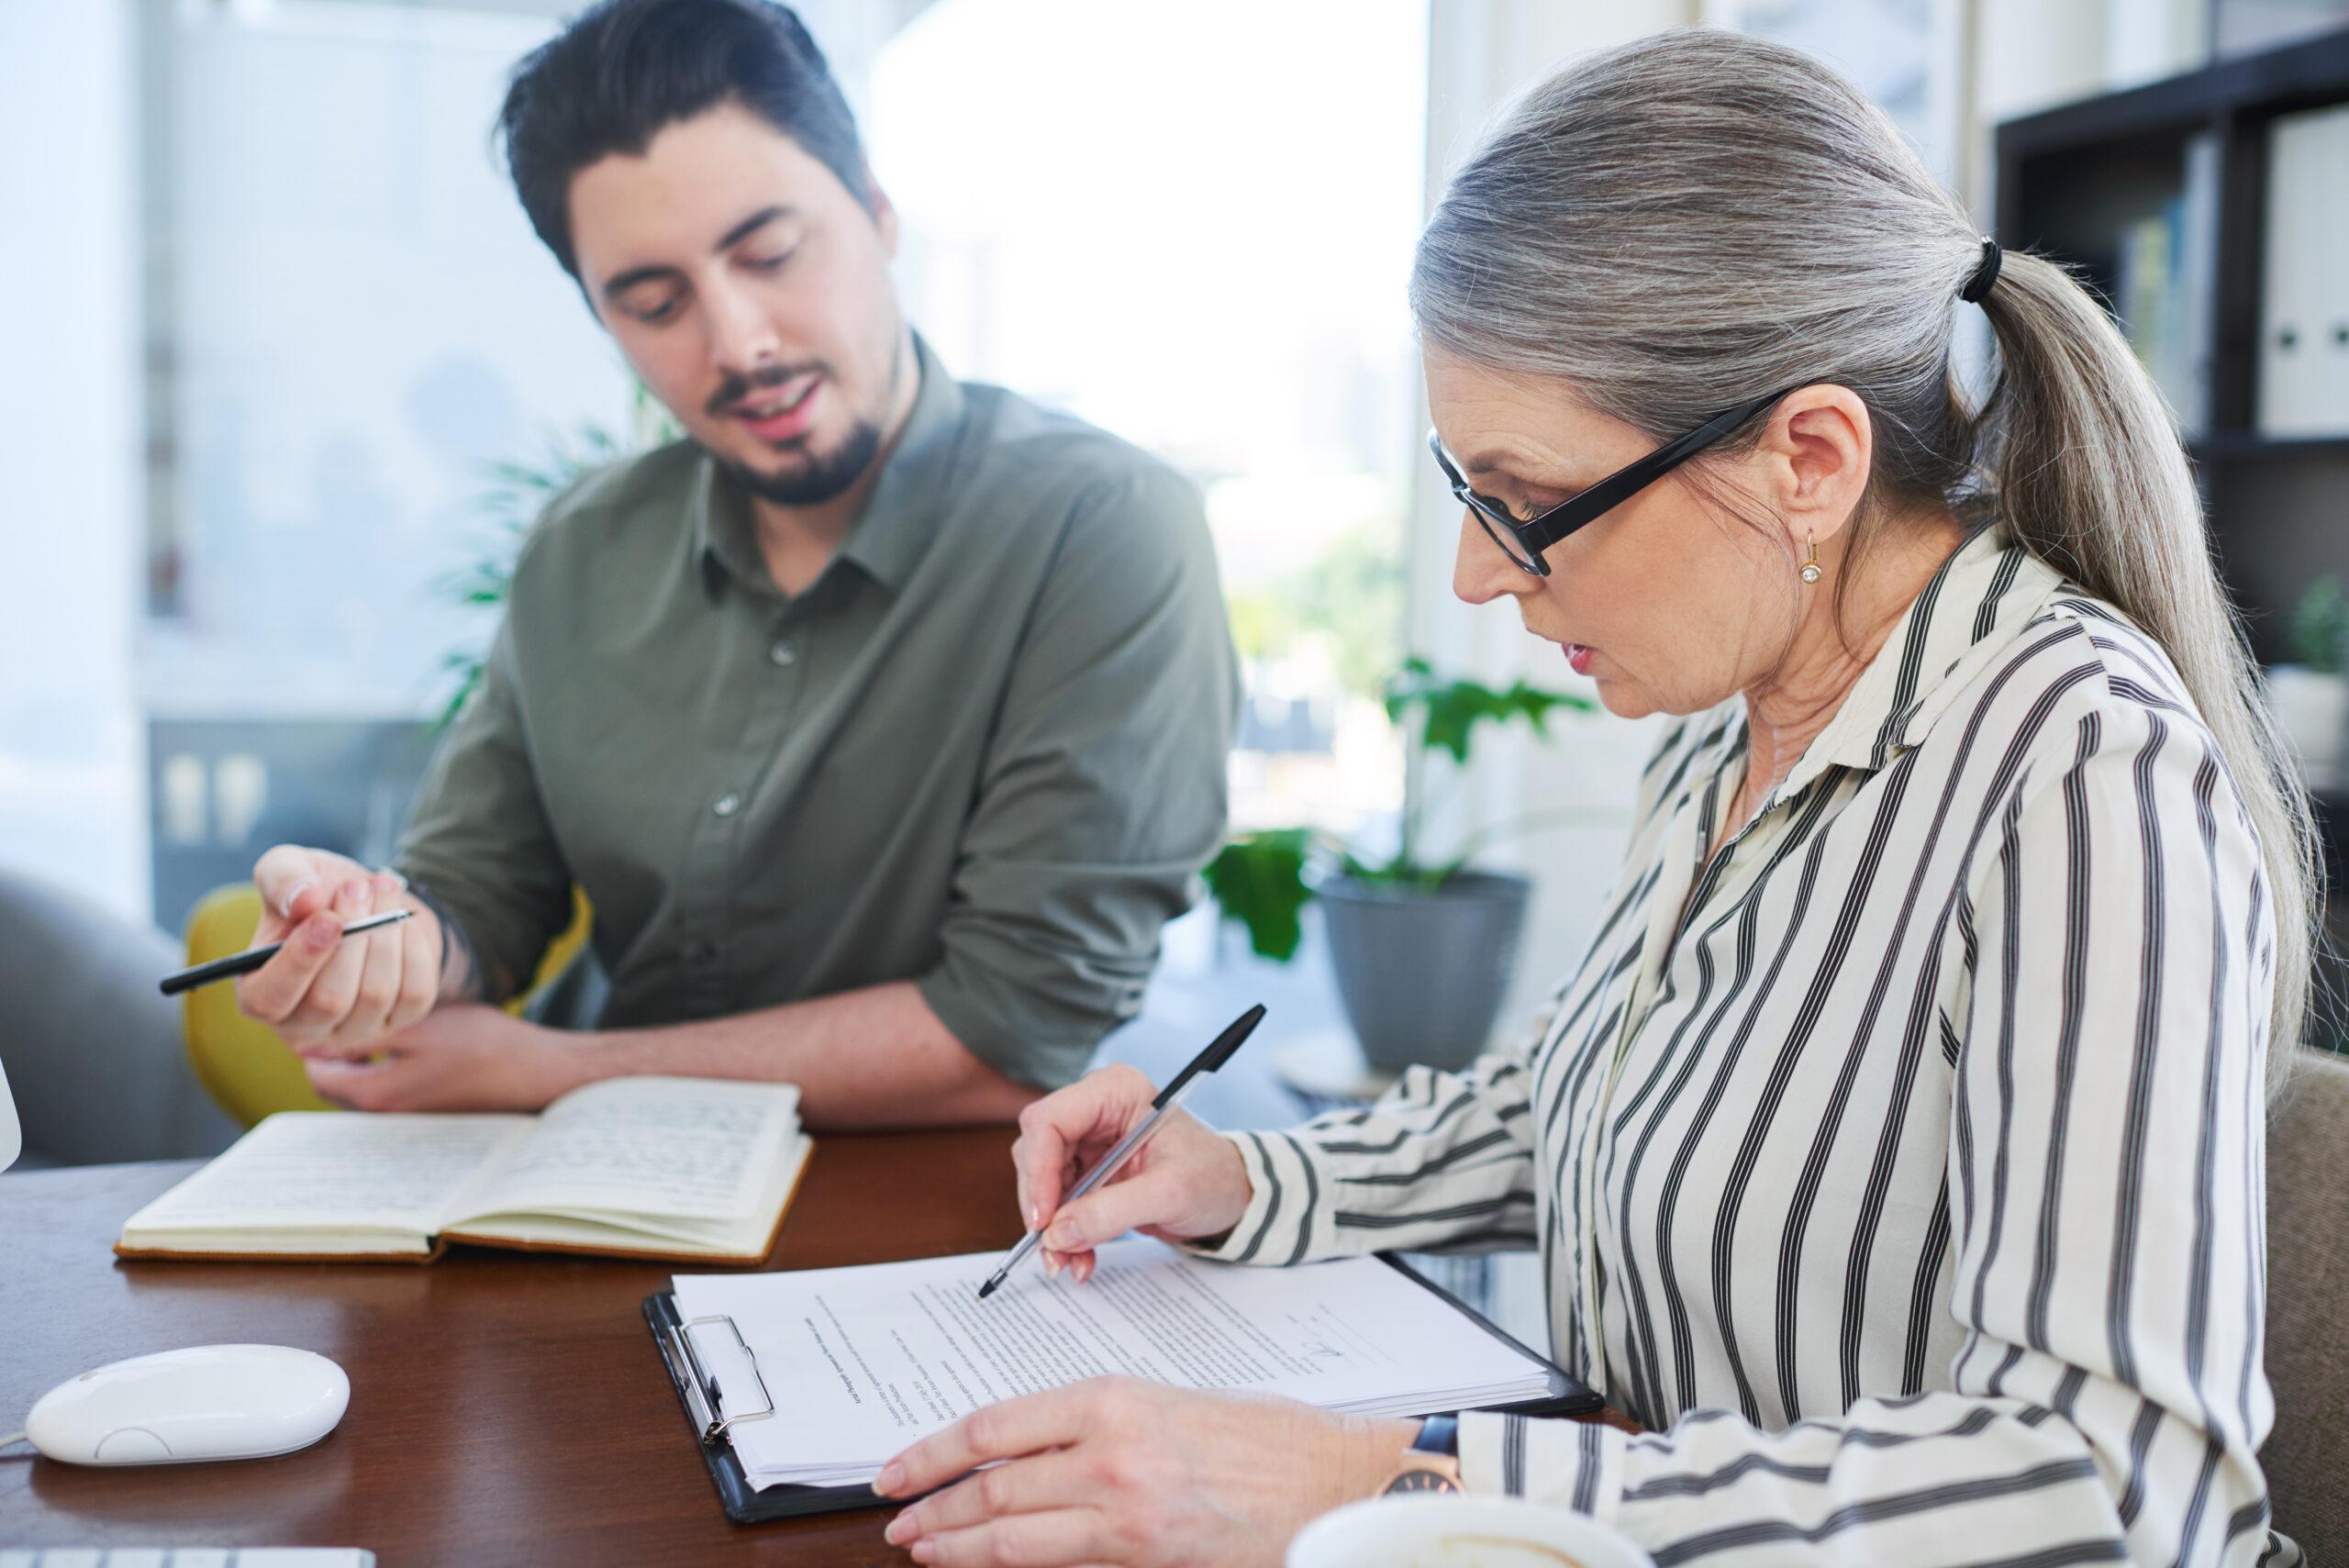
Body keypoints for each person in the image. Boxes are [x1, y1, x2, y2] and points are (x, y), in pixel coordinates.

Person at [870, 29, 2311, 1567]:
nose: (1475, 570)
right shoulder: (1732, 710)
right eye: (1463, 484)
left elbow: (2104, 1480)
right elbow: (1598, 1100)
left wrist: (1383, 1478)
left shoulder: (2081, 763)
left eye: (1529, 502)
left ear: (1806, 460)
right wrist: (1244, 1173)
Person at [228, 0, 1237, 1128]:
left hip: (933, 1234)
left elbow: (1012, 1031)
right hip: (580, 1208)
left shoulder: (1100, 528)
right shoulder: (582, 547)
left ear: (877, 211)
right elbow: (479, 903)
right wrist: (373, 940)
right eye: (655, 303)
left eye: (770, 254)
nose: (740, 340)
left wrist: (542, 1071)